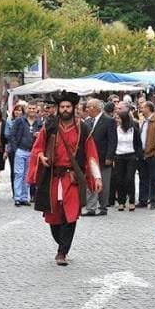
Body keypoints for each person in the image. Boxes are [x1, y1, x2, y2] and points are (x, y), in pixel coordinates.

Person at [27, 92, 102, 266]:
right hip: (53, 177)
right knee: (54, 217)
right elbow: (37, 148)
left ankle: (62, 251)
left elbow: (91, 155)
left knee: (71, 214)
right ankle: (61, 243)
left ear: (73, 108)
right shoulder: (50, 126)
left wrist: (96, 177)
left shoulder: (83, 128)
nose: (65, 109)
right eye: (62, 107)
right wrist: (41, 157)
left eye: (68, 107)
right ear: (58, 109)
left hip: (72, 178)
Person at [82, 98, 116, 216]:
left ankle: (103, 206)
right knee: (90, 182)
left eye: (88, 107)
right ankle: (91, 207)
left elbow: (113, 141)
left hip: (103, 157)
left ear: (95, 108)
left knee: (104, 184)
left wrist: (109, 157)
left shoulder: (108, 121)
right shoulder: (87, 122)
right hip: (90, 158)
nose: (86, 109)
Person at [9, 102, 42, 206]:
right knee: (18, 173)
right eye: (30, 108)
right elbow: (12, 135)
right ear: (26, 109)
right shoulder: (20, 120)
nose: (32, 110)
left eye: (34, 108)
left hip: (32, 151)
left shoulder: (39, 122)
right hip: (21, 150)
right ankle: (17, 197)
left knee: (27, 175)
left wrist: (39, 135)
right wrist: (15, 149)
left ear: (37, 110)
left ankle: (24, 197)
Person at [113, 109, 143, 211]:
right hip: (119, 156)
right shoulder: (115, 129)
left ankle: (131, 201)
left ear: (124, 119)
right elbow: (113, 143)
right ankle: (121, 202)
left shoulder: (133, 129)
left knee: (129, 179)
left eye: (119, 118)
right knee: (119, 180)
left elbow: (139, 143)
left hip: (131, 156)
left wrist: (137, 155)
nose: (117, 120)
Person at [138, 100, 155, 209]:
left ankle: (153, 200)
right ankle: (143, 200)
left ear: (148, 108)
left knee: (154, 179)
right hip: (143, 154)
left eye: (143, 107)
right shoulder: (144, 121)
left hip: (152, 154)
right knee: (143, 178)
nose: (141, 109)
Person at [5, 102, 25, 201]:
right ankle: (15, 192)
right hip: (12, 149)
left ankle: (23, 193)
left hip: (24, 148)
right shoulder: (9, 121)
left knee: (24, 171)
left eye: (20, 110)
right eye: (16, 110)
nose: (18, 112)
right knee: (15, 171)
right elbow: (7, 134)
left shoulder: (25, 121)